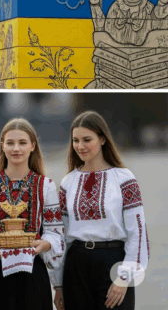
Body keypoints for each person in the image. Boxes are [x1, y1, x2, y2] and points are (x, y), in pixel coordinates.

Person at [51, 111, 149, 310]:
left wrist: (124, 278)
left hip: (113, 261)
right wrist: (58, 284)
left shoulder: (124, 178)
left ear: (103, 139)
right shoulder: (68, 182)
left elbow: (137, 232)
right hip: (76, 264)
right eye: (75, 140)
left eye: (87, 139)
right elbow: (61, 235)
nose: (80, 146)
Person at [0, 119, 64, 310]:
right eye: (10, 143)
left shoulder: (45, 186)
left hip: (32, 275)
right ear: (2, 146)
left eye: (22, 143)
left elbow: (56, 232)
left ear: (33, 146)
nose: (16, 148)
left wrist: (46, 244)